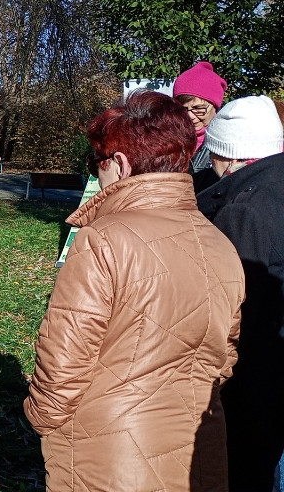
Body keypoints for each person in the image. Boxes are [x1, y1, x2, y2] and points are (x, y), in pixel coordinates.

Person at [24, 90, 245, 491]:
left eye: (97, 163)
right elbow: (224, 357)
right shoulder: (220, 243)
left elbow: (64, 360)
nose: (96, 173)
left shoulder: (102, 241)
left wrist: (43, 418)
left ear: (120, 164)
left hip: (110, 451)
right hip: (201, 442)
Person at [194, 95, 284, 491]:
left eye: (213, 150)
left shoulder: (246, 211)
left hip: (258, 380)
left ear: (229, 154)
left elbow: (234, 307)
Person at [172, 61, 227, 191]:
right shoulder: (167, 138)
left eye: (199, 108)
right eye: (183, 109)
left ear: (215, 106)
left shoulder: (228, 142)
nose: (190, 116)